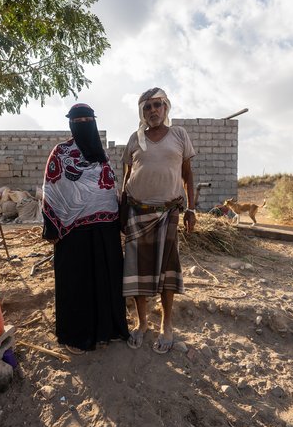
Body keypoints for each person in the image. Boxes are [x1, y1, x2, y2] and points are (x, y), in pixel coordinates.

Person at [42, 103, 129, 354]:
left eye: (87, 120)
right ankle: (77, 335)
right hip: (73, 231)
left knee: (106, 279)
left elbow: (109, 187)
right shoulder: (60, 152)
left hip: (105, 229)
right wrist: (52, 227)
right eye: (76, 121)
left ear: (94, 122)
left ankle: (109, 330)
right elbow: (52, 188)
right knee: (77, 282)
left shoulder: (103, 155)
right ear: (70, 124)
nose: (82, 124)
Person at [121, 88, 196, 354]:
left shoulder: (179, 135)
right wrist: (121, 213)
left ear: (166, 108)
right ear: (141, 113)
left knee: (166, 270)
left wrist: (191, 209)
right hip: (136, 212)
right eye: (147, 107)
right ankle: (141, 323)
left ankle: (166, 323)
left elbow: (187, 174)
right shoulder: (135, 138)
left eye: (157, 105)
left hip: (168, 213)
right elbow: (127, 176)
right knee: (136, 270)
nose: (152, 111)